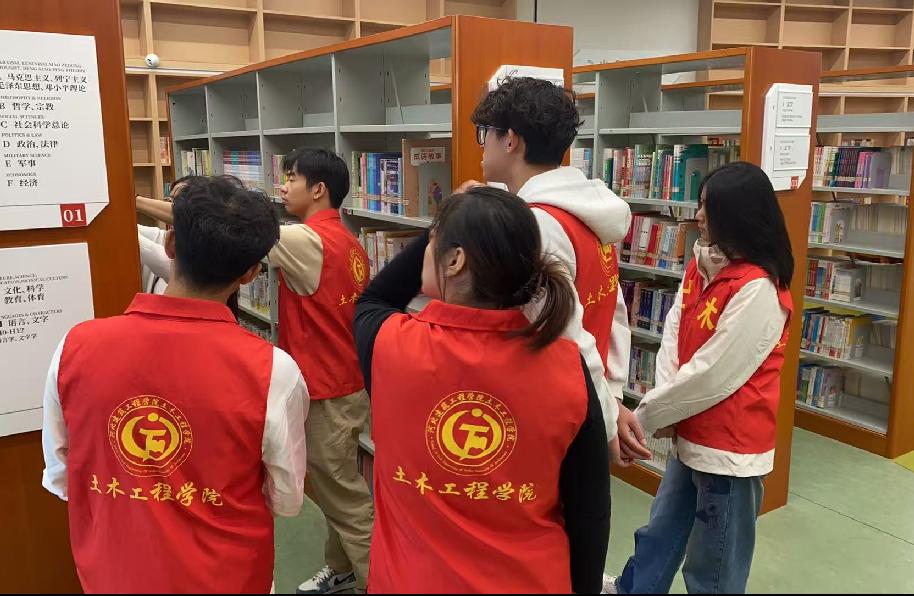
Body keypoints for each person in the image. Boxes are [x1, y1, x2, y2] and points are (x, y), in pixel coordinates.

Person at [41, 177, 309, 593]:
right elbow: (287, 499)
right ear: (250, 273)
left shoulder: (74, 347)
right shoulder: (275, 371)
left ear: (169, 244)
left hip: (112, 576)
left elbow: (61, 476)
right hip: (229, 577)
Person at [135, 151, 376, 595]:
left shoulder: (307, 240)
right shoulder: (347, 239)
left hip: (328, 388)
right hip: (343, 380)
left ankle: (377, 582)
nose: (283, 185)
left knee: (346, 500)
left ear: (318, 189)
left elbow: (218, 224)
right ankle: (341, 568)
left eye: (292, 177)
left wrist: (132, 203)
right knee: (336, 489)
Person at [353, 187, 610, 593]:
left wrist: (448, 219)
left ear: (455, 260)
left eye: (433, 242)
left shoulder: (389, 347)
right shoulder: (568, 367)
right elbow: (590, 512)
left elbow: (375, 297)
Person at [606, 161, 794, 595]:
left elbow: (713, 375)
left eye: (710, 207)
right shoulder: (703, 262)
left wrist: (645, 417)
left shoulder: (759, 288)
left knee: (714, 563)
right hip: (687, 431)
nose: (700, 215)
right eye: (702, 203)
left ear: (739, 215)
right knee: (660, 533)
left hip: (729, 448)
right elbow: (674, 331)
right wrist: (665, 403)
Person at [466, 76, 651, 468]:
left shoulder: (537, 226)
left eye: (485, 133)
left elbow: (567, 336)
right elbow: (613, 313)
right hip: (588, 401)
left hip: (558, 412)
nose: (482, 145)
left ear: (510, 140)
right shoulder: (587, 213)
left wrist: (605, 426)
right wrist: (613, 398)